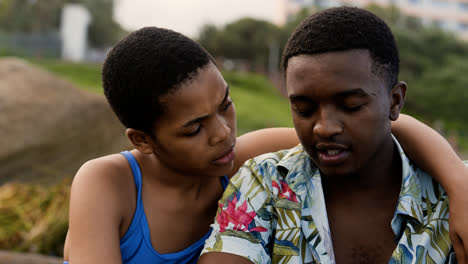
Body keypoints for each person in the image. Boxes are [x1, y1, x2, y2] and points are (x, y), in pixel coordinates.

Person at [64, 26, 468, 264]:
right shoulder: (109, 184)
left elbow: (382, 127)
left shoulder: (239, 161)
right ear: (143, 140)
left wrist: (460, 187)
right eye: (194, 129)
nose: (222, 132)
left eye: (225, 106)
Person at [199, 7, 468, 264]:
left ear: (395, 101)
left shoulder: (451, 197)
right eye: (304, 109)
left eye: (350, 105)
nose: (323, 128)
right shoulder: (264, 184)